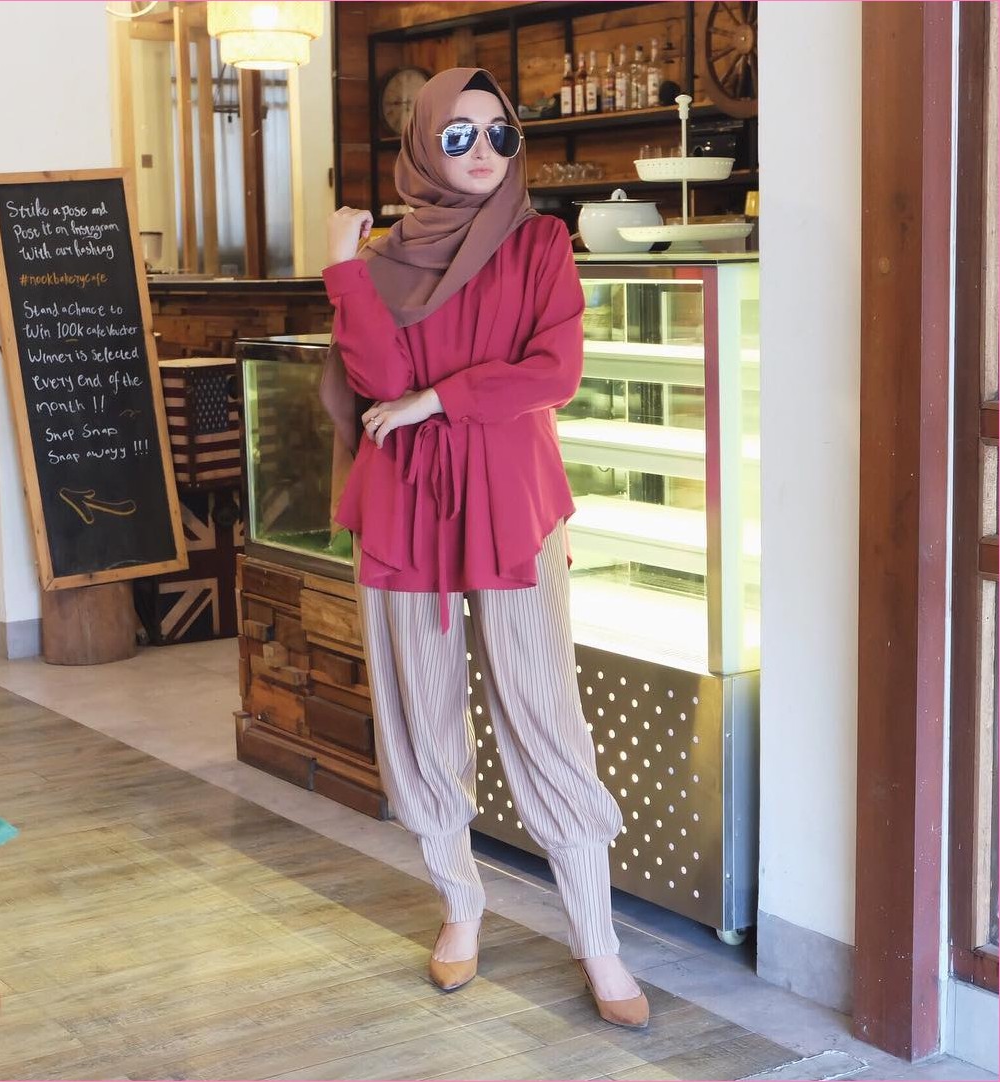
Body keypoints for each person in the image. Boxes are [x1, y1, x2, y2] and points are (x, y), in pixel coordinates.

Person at [319, 67, 649, 1029]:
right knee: (418, 714)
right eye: (458, 135)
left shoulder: (541, 243)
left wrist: (439, 398)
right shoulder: (381, 257)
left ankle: (597, 938)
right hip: (403, 502)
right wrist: (342, 270)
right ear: (422, 144)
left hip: (511, 501)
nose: (483, 152)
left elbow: (555, 370)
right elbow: (375, 376)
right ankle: (460, 904)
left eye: (500, 134)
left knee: (544, 713)